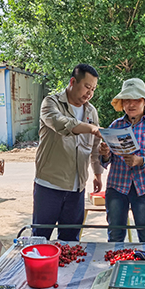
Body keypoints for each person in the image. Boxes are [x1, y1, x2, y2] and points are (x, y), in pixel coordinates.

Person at [33, 63, 103, 241]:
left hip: (77, 189)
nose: (90, 93)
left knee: (71, 241)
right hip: (49, 186)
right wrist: (92, 128)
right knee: (40, 240)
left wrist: (97, 173)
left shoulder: (91, 111)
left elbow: (94, 148)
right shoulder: (51, 103)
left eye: (93, 89)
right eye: (87, 87)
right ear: (73, 81)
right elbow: (60, 124)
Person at [99, 78, 145, 242]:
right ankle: (116, 266)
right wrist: (105, 153)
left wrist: (141, 161)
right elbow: (105, 162)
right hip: (117, 187)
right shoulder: (115, 126)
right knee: (115, 236)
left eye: (136, 100)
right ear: (122, 104)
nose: (131, 104)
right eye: (127, 100)